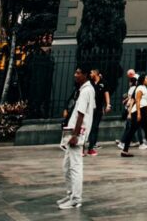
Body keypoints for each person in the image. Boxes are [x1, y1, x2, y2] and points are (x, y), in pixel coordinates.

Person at [57, 65, 96, 210]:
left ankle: (76, 199)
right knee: (66, 166)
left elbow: (81, 114)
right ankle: (71, 194)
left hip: (77, 133)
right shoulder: (86, 90)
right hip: (76, 131)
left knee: (75, 167)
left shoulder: (86, 91)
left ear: (85, 75)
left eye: (78, 73)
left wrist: (75, 135)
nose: (75, 75)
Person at [121, 73, 147, 157]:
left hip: (142, 111)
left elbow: (144, 102)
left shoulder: (144, 88)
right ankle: (125, 151)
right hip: (138, 111)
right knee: (133, 131)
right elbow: (137, 101)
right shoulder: (140, 88)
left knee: (146, 130)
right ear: (143, 80)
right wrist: (138, 114)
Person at [117, 70, 146, 150]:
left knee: (131, 127)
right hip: (133, 109)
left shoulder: (134, 88)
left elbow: (131, 99)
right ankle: (125, 142)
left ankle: (134, 142)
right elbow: (133, 99)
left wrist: (126, 101)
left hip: (132, 109)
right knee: (131, 127)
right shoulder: (135, 88)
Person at [86, 68, 110, 156]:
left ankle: (91, 147)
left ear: (96, 73)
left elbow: (106, 94)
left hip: (98, 109)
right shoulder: (89, 83)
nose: (90, 74)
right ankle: (85, 146)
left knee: (94, 127)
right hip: (89, 109)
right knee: (87, 127)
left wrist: (108, 104)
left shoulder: (103, 83)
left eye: (91, 72)